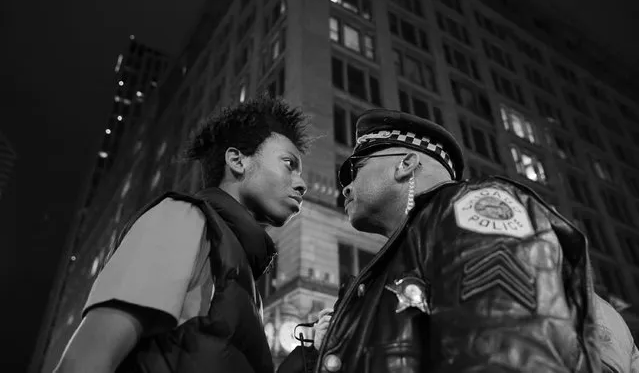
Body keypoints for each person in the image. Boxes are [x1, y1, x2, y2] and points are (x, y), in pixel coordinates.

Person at [284, 108, 603, 373]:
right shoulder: (393, 263)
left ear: (405, 164)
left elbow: (511, 354)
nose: (347, 187)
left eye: (355, 169)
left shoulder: (472, 206)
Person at [54, 95, 311, 373]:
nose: (302, 184)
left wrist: (311, 354)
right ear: (237, 161)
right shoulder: (183, 217)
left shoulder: (243, 273)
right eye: (289, 164)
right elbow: (86, 360)